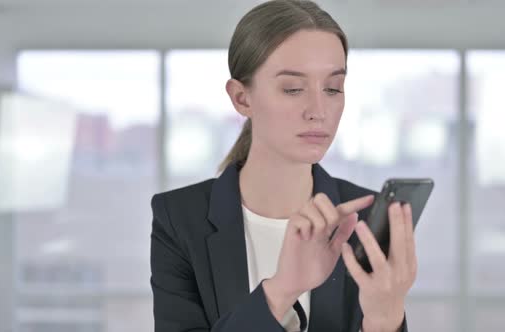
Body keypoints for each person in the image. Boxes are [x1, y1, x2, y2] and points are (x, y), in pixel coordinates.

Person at [149, 1, 417, 331]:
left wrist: (385, 318)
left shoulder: (364, 221)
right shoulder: (179, 218)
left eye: (333, 88)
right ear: (241, 98)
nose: (318, 110)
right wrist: (281, 290)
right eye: (293, 88)